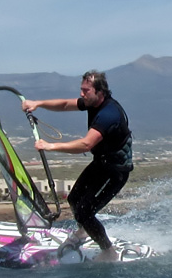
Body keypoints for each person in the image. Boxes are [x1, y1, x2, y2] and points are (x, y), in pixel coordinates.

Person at [22, 70, 133, 262]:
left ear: (100, 92)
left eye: (86, 90)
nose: (82, 94)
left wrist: (50, 146)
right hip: (101, 164)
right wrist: (38, 104)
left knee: (84, 211)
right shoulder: (92, 102)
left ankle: (108, 252)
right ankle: (84, 231)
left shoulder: (109, 115)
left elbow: (86, 144)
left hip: (115, 172)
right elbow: (65, 104)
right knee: (74, 199)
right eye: (81, 90)